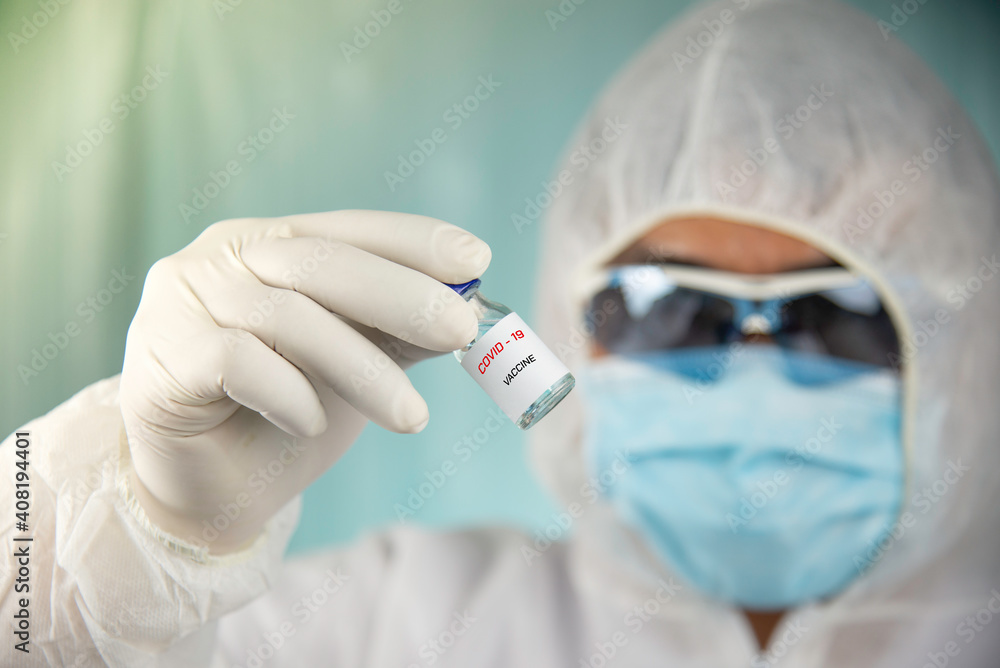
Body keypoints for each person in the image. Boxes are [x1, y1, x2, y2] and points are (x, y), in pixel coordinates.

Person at [3, 0, 999, 665]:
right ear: (570, 322)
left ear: (960, 349)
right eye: (672, 308)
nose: (752, 371)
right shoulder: (398, 625)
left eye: (835, 315)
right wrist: (147, 532)